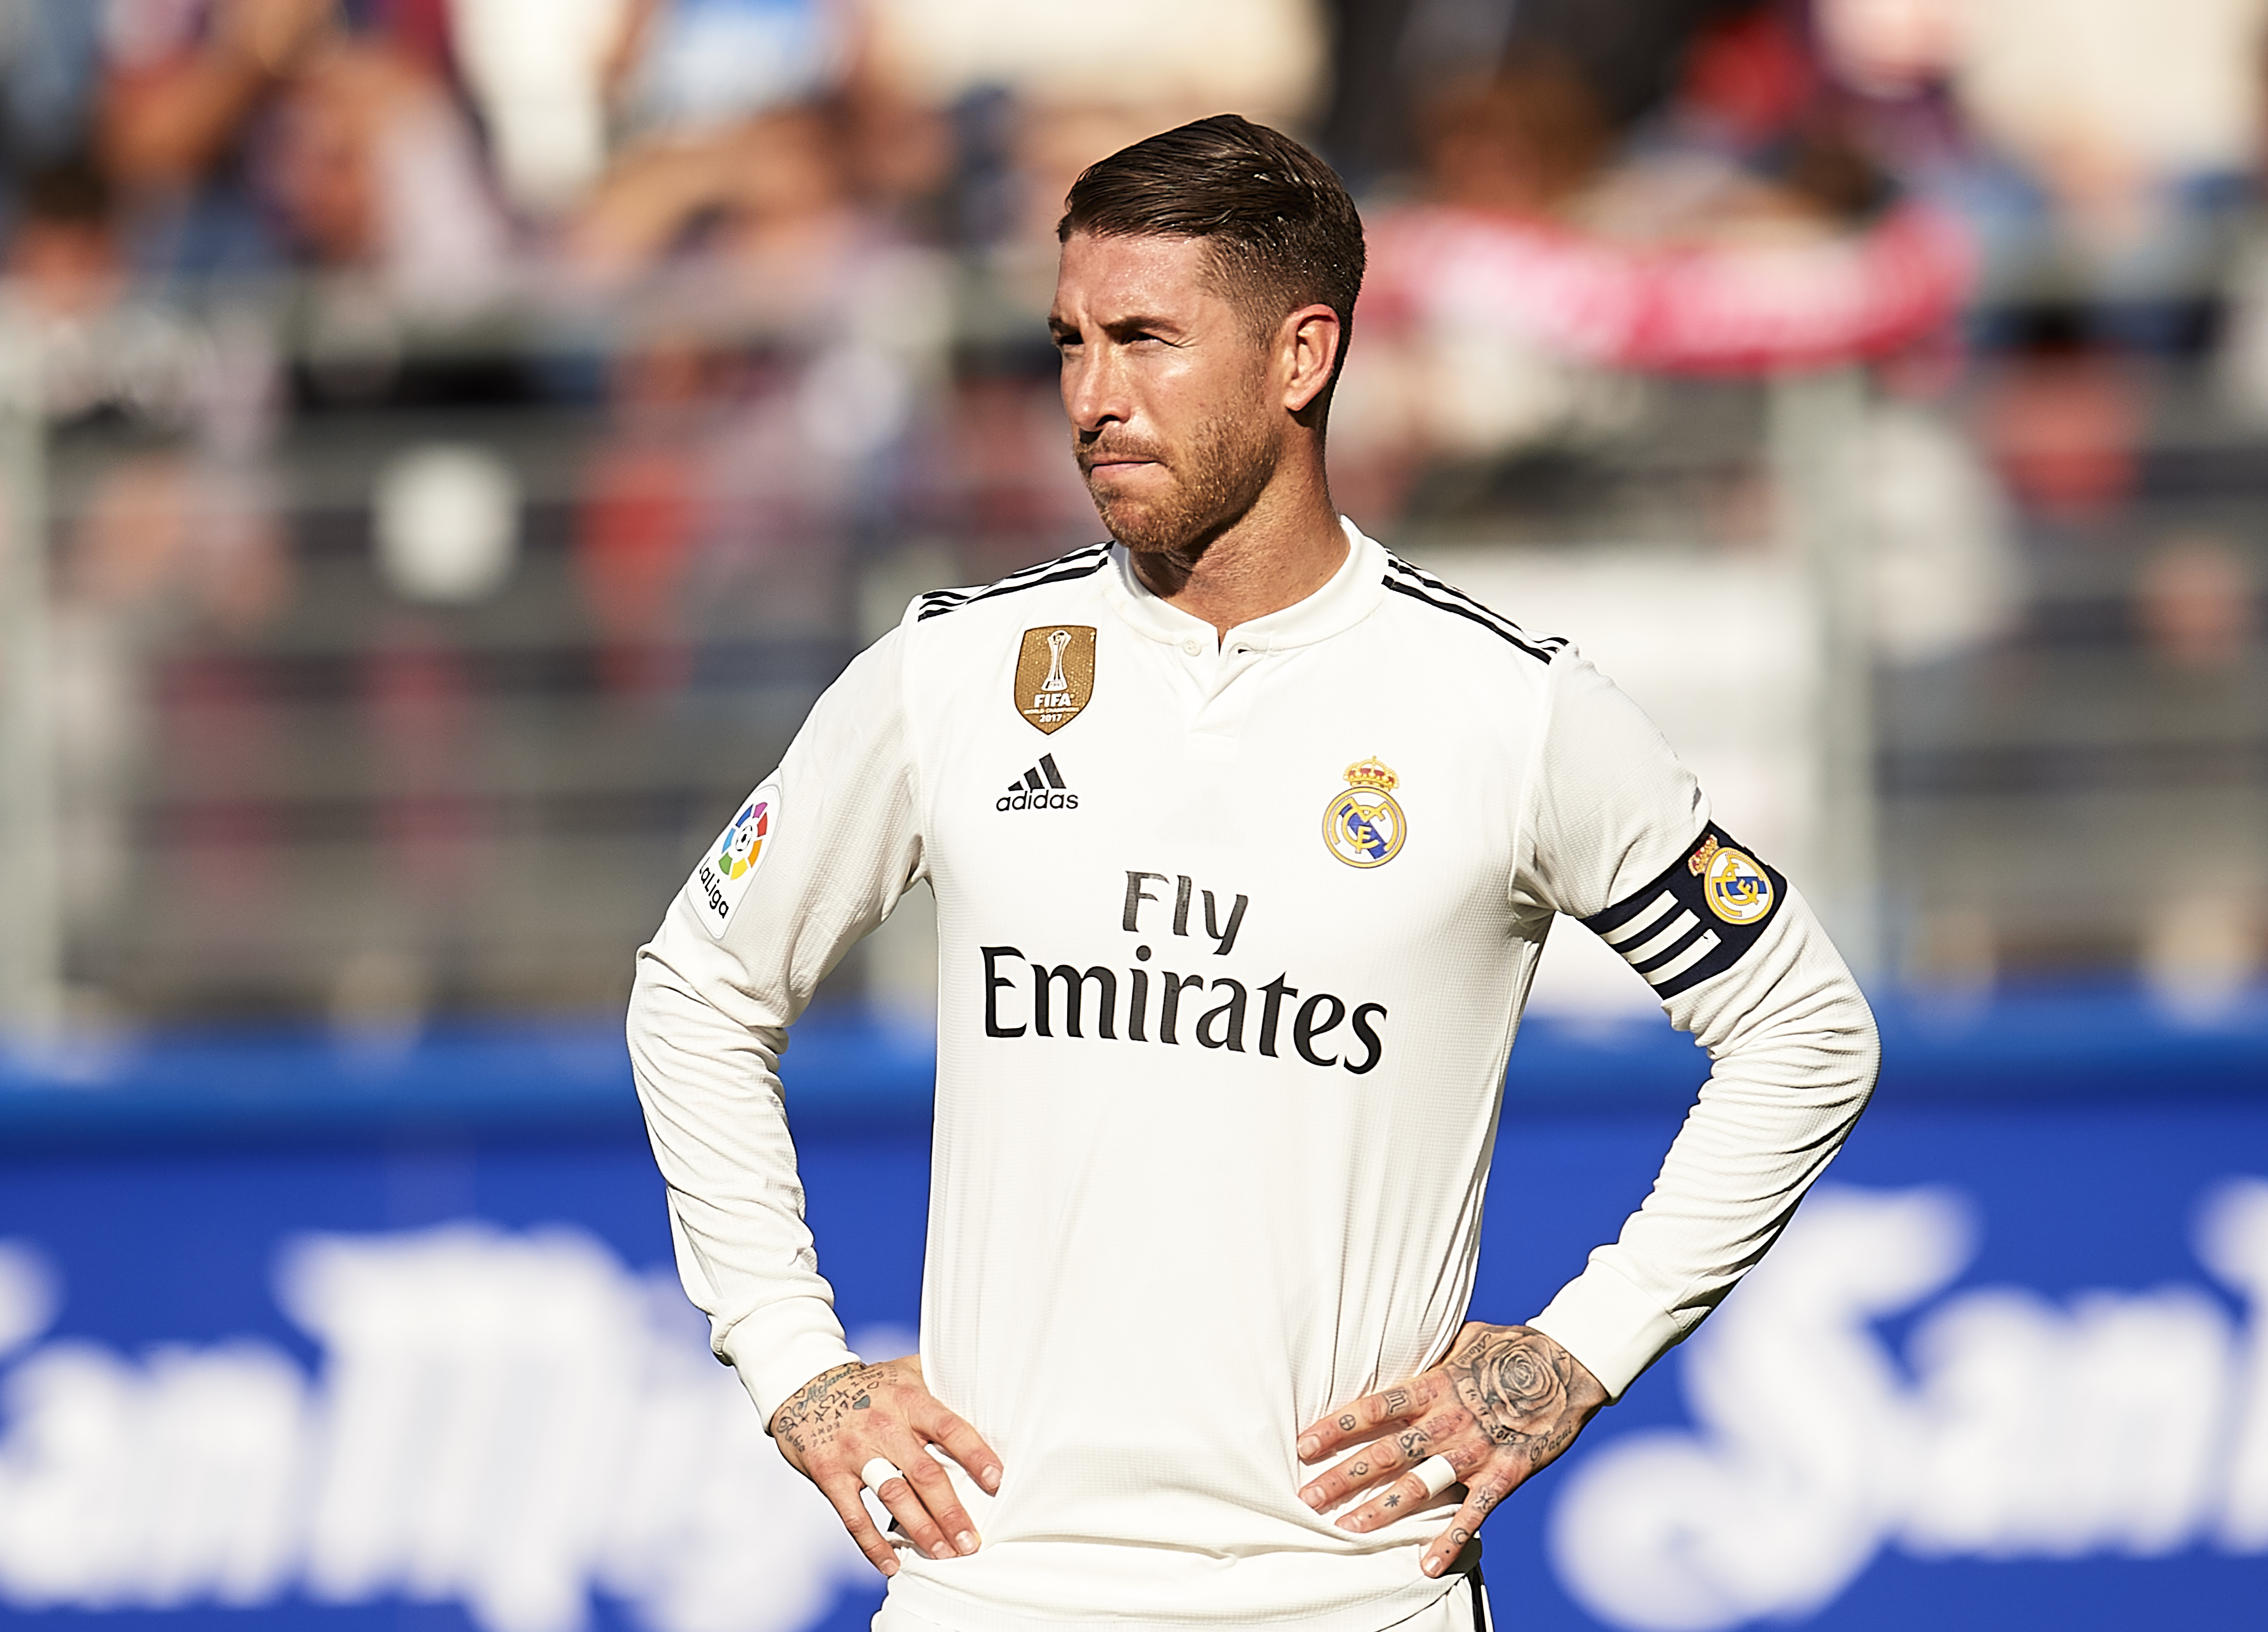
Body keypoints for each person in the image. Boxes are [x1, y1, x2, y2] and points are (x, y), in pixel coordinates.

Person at [626, 114, 1878, 1632]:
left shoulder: (1511, 710)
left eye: (1147, 341)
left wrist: (1579, 1353)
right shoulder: (955, 672)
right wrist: (792, 1361)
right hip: (996, 1588)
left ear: (1303, 357)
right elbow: (697, 989)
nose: (1092, 398)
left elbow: (1804, 1028)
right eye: (1071, 342)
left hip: (1354, 1595)